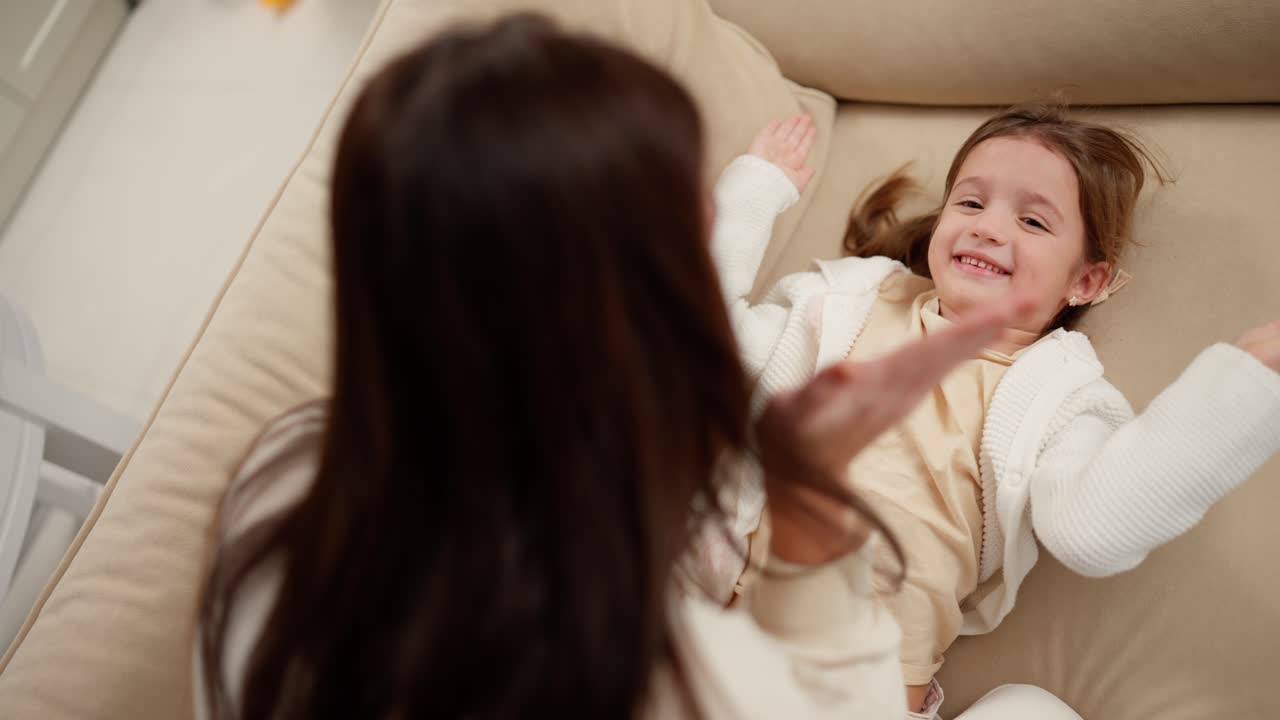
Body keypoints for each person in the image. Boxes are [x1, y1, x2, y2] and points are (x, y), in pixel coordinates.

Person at [193, 14, 1058, 719]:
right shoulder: (616, 633)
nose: (710, 220)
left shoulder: (286, 476)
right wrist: (808, 519)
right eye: (686, 218)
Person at [707, 107, 1280, 718]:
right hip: (721, 653)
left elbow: (1091, 529)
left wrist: (1243, 389)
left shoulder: (1060, 395)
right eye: (971, 203)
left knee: (1032, 710)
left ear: (1087, 282)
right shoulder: (849, 305)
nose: (987, 227)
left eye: (1032, 220)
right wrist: (753, 191)